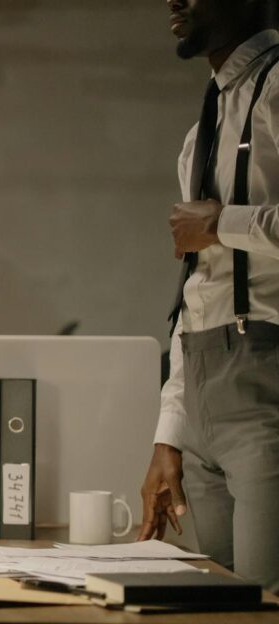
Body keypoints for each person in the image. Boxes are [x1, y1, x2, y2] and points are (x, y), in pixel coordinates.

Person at [139, 0, 279, 594]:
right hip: (200, 389)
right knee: (222, 603)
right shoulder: (202, 130)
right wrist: (170, 431)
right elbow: (197, 289)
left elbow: (213, 234)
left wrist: (223, 224)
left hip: (264, 374)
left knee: (266, 599)